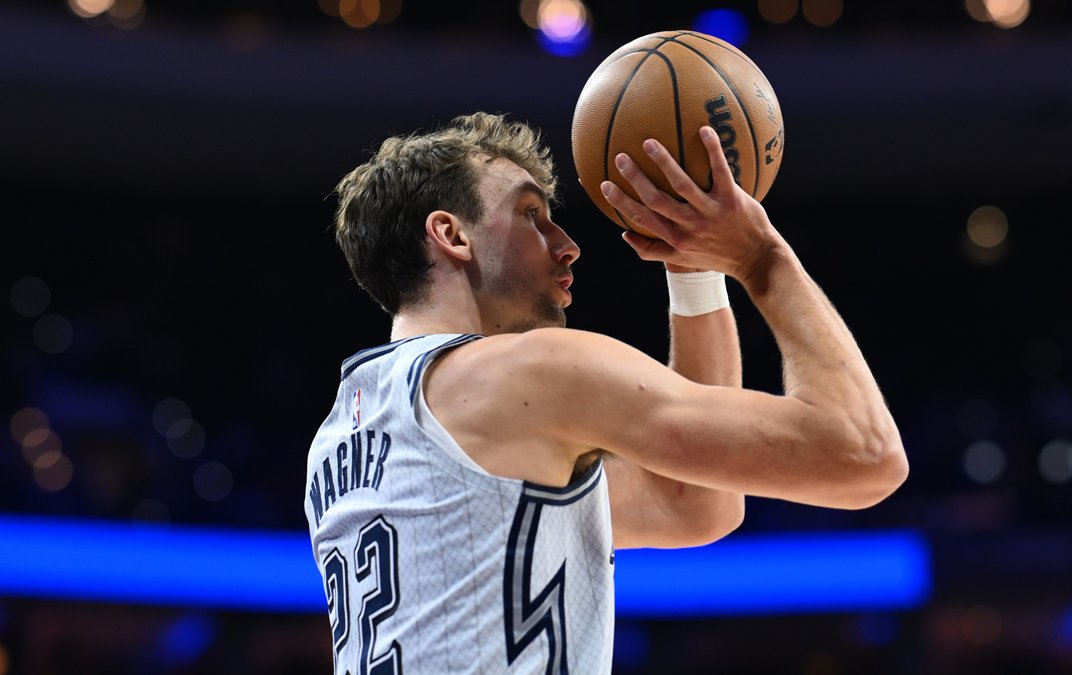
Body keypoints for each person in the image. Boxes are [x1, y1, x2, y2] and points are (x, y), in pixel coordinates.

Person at [303, 112, 907, 675]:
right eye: (531, 215)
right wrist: (758, 256)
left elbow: (695, 505)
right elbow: (863, 454)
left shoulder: (341, 436)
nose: (566, 244)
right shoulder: (525, 372)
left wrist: (694, 268)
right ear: (450, 234)